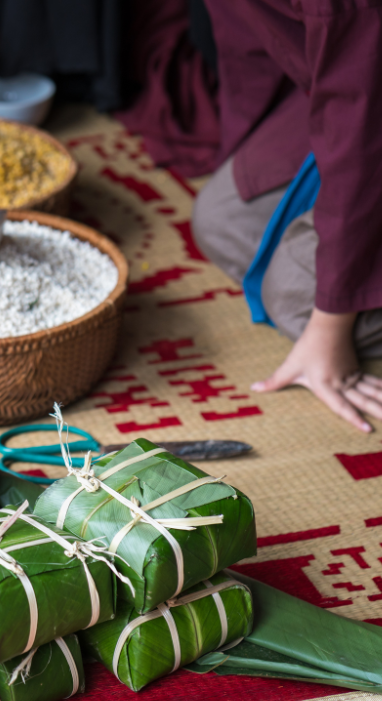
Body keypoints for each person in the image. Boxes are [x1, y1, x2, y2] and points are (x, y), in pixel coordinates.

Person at [191, 0, 382, 432]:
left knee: (295, 294)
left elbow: (363, 128)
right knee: (222, 219)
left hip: (368, 106)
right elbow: (247, 47)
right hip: (337, 85)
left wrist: (331, 322)